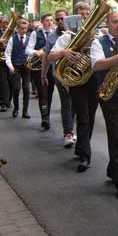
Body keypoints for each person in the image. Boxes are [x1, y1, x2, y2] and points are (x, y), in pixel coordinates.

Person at [91, 10, 118, 198]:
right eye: (115, 22)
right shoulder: (98, 42)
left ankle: (113, 167)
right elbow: (97, 65)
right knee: (116, 135)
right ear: (107, 23)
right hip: (108, 95)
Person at [66, 2, 97, 170]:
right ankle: (85, 156)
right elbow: (51, 55)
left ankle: (81, 147)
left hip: (93, 80)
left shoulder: (98, 35)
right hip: (77, 81)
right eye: (82, 14)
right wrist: (64, 52)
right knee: (83, 118)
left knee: (90, 117)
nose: (85, 16)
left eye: (87, 13)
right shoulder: (68, 35)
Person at [46, 8, 78, 148]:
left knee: (76, 104)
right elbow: (47, 57)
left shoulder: (77, 33)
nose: (60, 21)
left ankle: (71, 128)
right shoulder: (52, 37)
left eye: (62, 18)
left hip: (77, 74)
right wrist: (43, 75)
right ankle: (68, 133)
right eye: (57, 19)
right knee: (66, 104)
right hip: (60, 75)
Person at [26, 13, 55, 130]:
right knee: (43, 93)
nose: (49, 22)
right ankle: (45, 118)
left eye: (51, 20)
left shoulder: (56, 33)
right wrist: (36, 52)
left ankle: (47, 114)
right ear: (42, 22)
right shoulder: (35, 34)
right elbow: (28, 49)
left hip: (53, 66)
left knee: (50, 93)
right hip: (40, 67)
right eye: (47, 20)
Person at [3, 18, 32, 118]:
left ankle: (25, 111)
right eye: (22, 28)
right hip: (15, 66)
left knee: (26, 88)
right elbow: (7, 54)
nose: (24, 30)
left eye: (25, 28)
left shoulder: (29, 39)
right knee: (16, 88)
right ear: (18, 29)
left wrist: (30, 61)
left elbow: (32, 52)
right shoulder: (12, 39)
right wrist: (10, 66)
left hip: (26, 66)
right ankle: (16, 108)